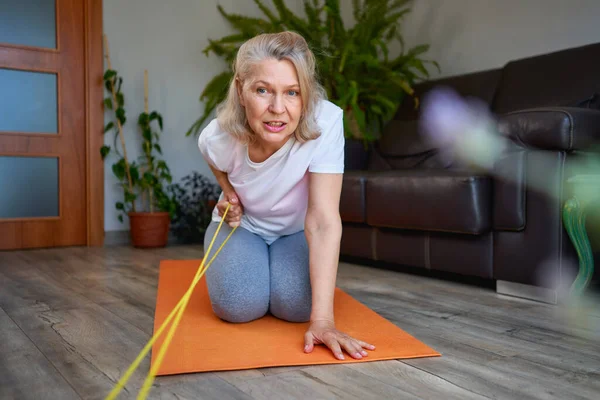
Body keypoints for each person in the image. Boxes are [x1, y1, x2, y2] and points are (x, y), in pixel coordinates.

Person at [197, 31, 375, 361]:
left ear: (306, 94)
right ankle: (227, 243)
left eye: (292, 93)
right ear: (241, 90)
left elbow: (323, 220)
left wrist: (323, 321)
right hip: (242, 228)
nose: (277, 109)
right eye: (263, 90)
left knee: (297, 306)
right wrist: (229, 192)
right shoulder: (220, 135)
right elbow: (209, 154)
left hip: (295, 232)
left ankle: (277, 272)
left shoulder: (326, 121)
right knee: (239, 304)